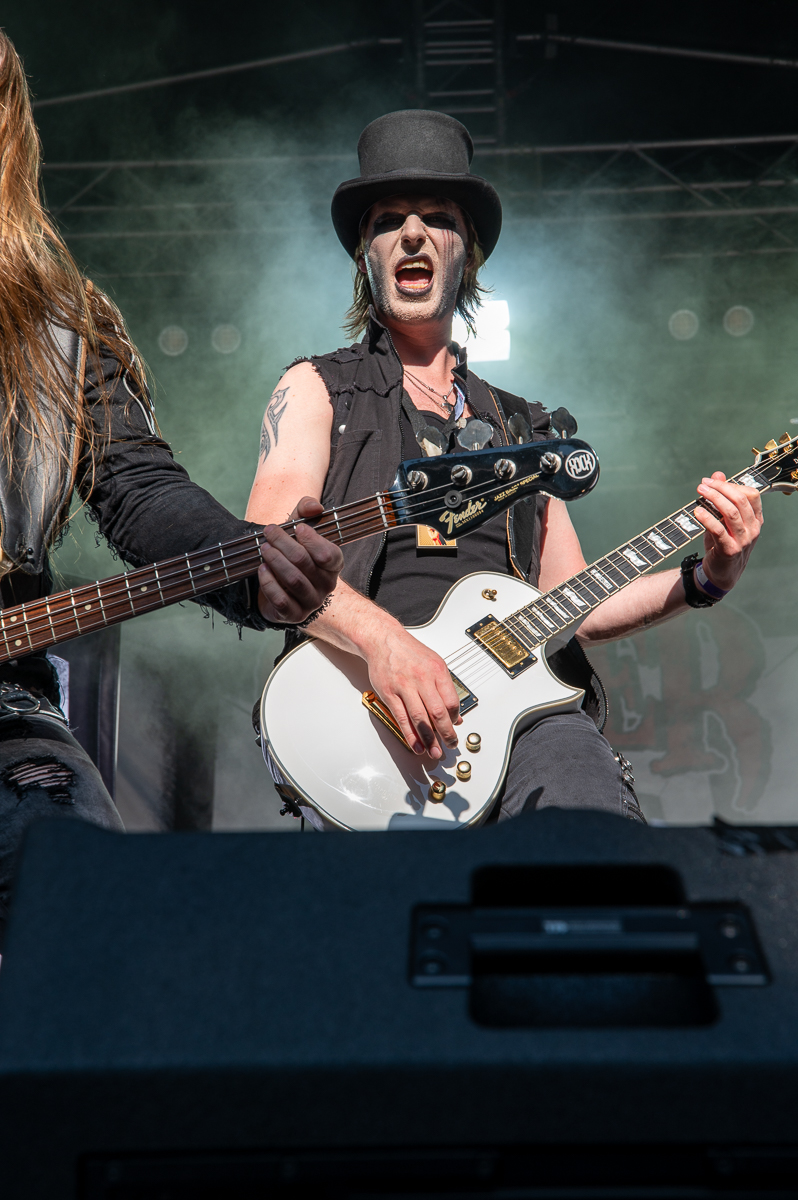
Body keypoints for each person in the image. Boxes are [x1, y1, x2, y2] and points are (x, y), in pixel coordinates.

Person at [246, 109, 763, 829]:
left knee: (591, 831)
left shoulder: (524, 426)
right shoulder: (317, 388)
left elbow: (575, 602)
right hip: (363, 704)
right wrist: (387, 644)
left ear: (470, 253)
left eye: (437, 217)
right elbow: (266, 552)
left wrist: (707, 577)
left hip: (522, 719)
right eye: (389, 220)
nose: (413, 234)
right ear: (366, 253)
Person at [0, 29, 342, 937]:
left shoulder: (58, 326)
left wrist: (253, 565)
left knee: (88, 905)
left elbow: (141, 490)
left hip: (6, 699)